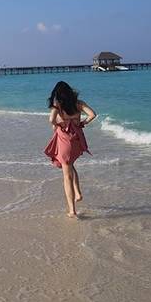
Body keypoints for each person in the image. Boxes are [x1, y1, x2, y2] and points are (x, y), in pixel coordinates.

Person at [44, 81, 97, 218]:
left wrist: (59, 124)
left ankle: (72, 210)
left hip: (65, 141)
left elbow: (51, 120)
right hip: (77, 140)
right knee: (70, 165)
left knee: (67, 175)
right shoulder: (79, 103)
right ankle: (78, 193)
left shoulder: (58, 106)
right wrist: (82, 123)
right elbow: (92, 114)